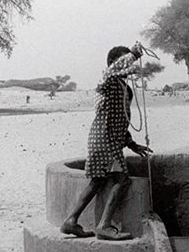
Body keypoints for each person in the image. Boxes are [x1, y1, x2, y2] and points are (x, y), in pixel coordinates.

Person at [60, 43, 153, 241]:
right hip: (105, 139)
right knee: (122, 180)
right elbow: (114, 70)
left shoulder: (121, 88)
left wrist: (131, 144)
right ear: (114, 63)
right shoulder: (107, 81)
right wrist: (134, 54)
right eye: (123, 60)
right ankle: (104, 225)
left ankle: (71, 220)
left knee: (98, 181)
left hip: (105, 138)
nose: (128, 66)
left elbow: (120, 121)